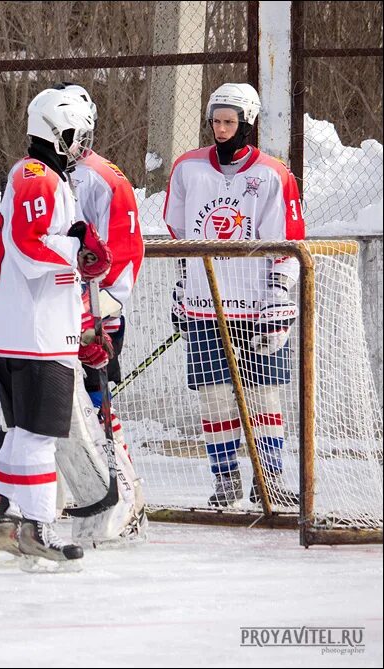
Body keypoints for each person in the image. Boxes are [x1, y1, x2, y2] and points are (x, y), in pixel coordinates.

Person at [0, 87, 112, 571]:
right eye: (78, 136)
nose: (81, 145)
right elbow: (28, 244)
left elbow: (49, 249)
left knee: (21, 431)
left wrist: (86, 330)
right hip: (33, 334)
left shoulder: (42, 177)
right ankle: (34, 528)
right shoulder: (37, 176)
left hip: (24, 329)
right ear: (61, 131)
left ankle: (3, 520)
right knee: (38, 435)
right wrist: (80, 250)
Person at [164, 82, 304, 508]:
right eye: (216, 121)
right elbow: (180, 232)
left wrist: (280, 292)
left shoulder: (272, 174)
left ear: (247, 123)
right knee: (216, 396)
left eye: (230, 121)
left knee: (264, 394)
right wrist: (184, 282)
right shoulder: (188, 168)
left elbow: (290, 240)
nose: (221, 129)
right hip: (206, 306)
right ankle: (225, 479)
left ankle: (270, 478)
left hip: (259, 306)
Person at [51, 82, 147, 547]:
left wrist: (100, 309)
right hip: (51, 317)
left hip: (93, 319)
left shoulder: (103, 178)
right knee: (47, 409)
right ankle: (44, 501)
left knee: (93, 408)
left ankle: (124, 497)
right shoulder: (44, 174)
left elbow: (126, 250)